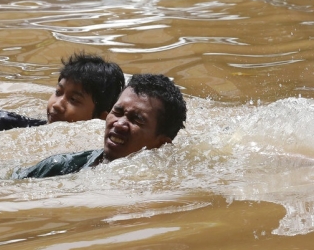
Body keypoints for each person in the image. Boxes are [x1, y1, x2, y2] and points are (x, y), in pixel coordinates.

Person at [12, 73, 187, 179]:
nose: (119, 124)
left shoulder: (165, 184)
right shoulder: (59, 166)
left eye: (137, 119)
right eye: (117, 112)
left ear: (162, 143)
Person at [0, 52, 125, 131]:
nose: (57, 104)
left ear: (100, 118)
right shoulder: (17, 125)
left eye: (74, 100)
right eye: (58, 92)